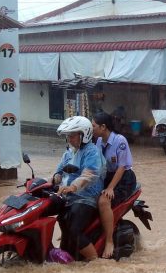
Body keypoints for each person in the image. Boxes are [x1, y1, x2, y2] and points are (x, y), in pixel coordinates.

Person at [51, 116, 106, 261]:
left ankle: (96, 262)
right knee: (62, 222)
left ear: (84, 135)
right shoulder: (69, 153)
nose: (69, 139)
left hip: (87, 198)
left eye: (72, 135)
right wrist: (53, 180)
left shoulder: (92, 152)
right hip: (69, 197)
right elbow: (59, 172)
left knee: (74, 230)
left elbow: (90, 174)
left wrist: (73, 187)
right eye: (68, 136)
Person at [92, 111, 138, 259]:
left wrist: (111, 187)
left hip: (124, 179)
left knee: (104, 201)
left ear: (103, 127)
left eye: (94, 126)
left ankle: (109, 241)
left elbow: (122, 167)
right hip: (108, 177)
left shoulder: (120, 141)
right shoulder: (99, 141)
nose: (92, 129)